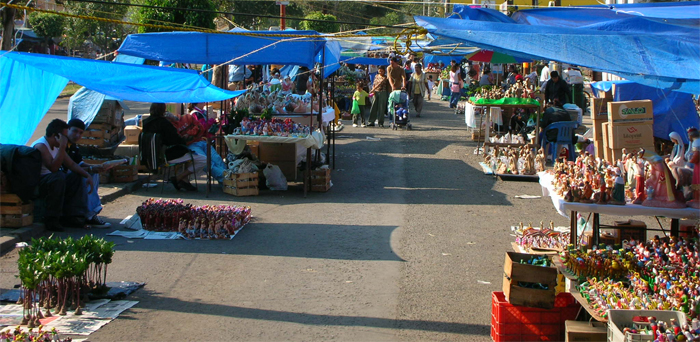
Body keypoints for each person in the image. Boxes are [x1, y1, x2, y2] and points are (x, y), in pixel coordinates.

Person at [31, 119, 94, 231]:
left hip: (53, 179)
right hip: (41, 182)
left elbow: (71, 164)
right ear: (56, 136)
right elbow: (53, 168)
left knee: (75, 176)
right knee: (59, 176)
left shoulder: (56, 146)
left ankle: (73, 216)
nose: (66, 139)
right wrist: (62, 146)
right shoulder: (41, 146)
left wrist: (87, 175)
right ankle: (52, 219)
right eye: (64, 136)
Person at [142, 103, 206, 191]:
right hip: (168, 155)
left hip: (152, 156)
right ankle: (179, 178)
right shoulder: (164, 123)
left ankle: (185, 181)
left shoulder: (146, 123)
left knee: (189, 154)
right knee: (203, 159)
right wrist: (186, 138)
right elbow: (175, 139)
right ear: (163, 110)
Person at [65, 119, 111, 228]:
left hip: (68, 175)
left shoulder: (73, 146)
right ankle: (89, 214)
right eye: (75, 131)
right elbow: (71, 165)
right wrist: (88, 172)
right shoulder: (62, 144)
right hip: (60, 176)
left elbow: (79, 163)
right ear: (67, 130)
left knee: (94, 173)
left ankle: (91, 213)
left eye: (80, 133)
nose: (77, 135)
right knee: (83, 175)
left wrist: (95, 167)